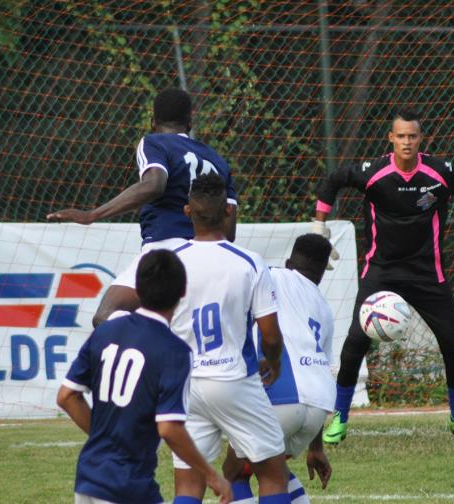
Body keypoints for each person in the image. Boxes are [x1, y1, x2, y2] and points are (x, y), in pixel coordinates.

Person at [311, 107, 454, 444]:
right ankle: (340, 418)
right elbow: (333, 181)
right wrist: (319, 225)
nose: (407, 142)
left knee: (453, 343)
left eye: (412, 136)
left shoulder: (440, 172)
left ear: (421, 139)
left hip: (427, 272)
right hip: (382, 271)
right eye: (401, 136)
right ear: (391, 138)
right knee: (355, 343)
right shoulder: (374, 173)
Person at [47, 87, 238, 327]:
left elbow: (154, 185)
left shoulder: (154, 142)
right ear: (190, 122)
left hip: (164, 252)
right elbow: (229, 231)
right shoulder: (218, 160)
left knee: (105, 316)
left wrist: (92, 214)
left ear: (153, 122)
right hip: (213, 258)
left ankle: (146, 347)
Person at [56, 249, 232, 504]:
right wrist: (211, 475)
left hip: (88, 477)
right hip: (127, 485)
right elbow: (169, 427)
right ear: (183, 292)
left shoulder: (106, 331)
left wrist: (103, 439)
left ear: (136, 289)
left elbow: (66, 396)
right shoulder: (175, 351)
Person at [169, 173, 292, 504]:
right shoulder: (248, 262)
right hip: (233, 379)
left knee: (188, 485)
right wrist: (274, 362)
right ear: (228, 211)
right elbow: (270, 335)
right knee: (273, 475)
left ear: (187, 212)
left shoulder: (172, 260)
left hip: (186, 385)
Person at [222, 234, 335, 504]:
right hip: (318, 407)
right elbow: (325, 366)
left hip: (282, 396)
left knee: (234, 472)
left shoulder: (272, 275)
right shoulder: (325, 308)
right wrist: (316, 447)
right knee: (272, 468)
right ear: (322, 273)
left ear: (288, 263)